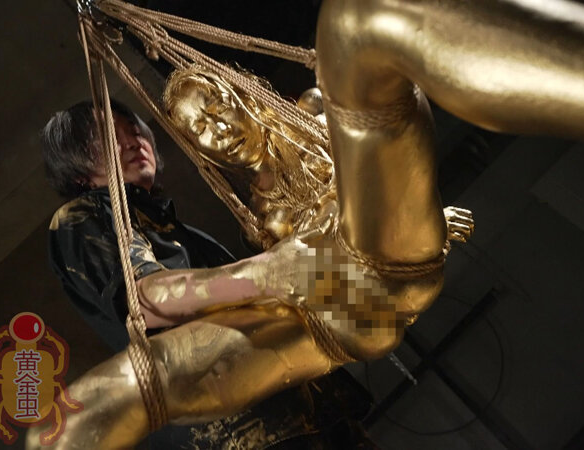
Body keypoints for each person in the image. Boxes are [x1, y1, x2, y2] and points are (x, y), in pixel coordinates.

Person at [29, 0, 584, 447]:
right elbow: (154, 298)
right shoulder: (89, 221)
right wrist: (277, 270)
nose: (145, 140)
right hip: (323, 320)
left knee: (366, 25)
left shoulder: (301, 128)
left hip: (335, 325)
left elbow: (338, 235)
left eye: (139, 129)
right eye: (195, 130)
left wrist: (414, 216)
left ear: (244, 96)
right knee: (79, 414)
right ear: (78, 160)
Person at [41, 100, 376, 449]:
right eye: (108, 134)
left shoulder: (181, 232)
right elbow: (147, 300)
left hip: (307, 402)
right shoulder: (81, 217)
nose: (132, 141)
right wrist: (268, 272)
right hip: (244, 429)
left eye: (134, 129)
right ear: (76, 168)